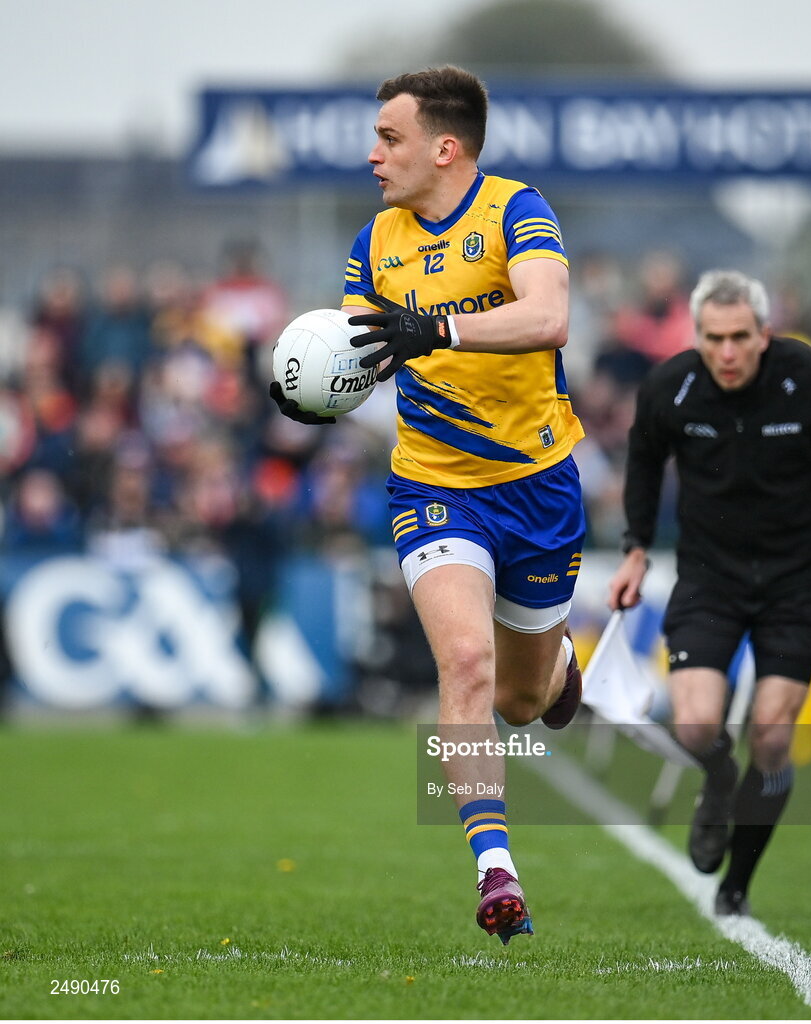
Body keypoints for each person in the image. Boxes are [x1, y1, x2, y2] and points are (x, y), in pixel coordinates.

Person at [270, 66, 586, 944]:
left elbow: (550, 315)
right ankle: (496, 871)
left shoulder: (517, 210)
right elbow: (360, 353)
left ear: (446, 149)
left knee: (522, 700)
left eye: (390, 138)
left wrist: (437, 328)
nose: (374, 155)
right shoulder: (376, 239)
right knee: (466, 665)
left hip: (538, 486)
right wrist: (313, 393)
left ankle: (561, 669)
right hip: (434, 484)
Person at [607, 269, 811, 916]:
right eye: (713, 338)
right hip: (710, 578)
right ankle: (716, 778)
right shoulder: (669, 386)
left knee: (770, 736)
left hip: (798, 582)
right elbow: (644, 462)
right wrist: (636, 549)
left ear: (765, 333)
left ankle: (738, 882)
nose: (727, 353)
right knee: (698, 724)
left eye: (740, 337)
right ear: (697, 334)